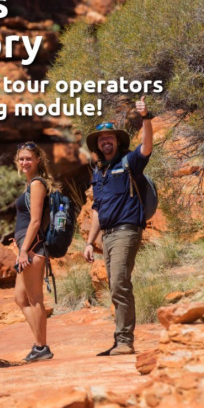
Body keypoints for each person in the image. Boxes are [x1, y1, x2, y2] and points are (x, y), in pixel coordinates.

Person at [83, 97, 153, 356]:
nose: (105, 141)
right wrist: (90, 241)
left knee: (120, 283)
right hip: (108, 236)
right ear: (98, 145)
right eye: (101, 140)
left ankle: (125, 341)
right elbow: (98, 210)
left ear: (117, 141)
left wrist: (146, 118)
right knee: (115, 284)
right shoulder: (99, 171)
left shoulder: (128, 162)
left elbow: (146, 147)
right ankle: (120, 339)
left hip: (126, 230)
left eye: (109, 138)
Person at [13, 142, 54, 362]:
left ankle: (41, 346)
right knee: (21, 298)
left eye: (29, 158)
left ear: (38, 159)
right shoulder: (30, 184)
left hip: (33, 248)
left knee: (35, 297)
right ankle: (40, 344)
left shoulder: (37, 184)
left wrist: (24, 251)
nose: (25, 162)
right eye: (21, 159)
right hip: (26, 247)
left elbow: (36, 221)